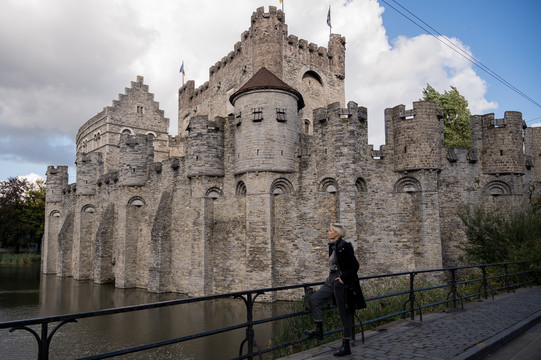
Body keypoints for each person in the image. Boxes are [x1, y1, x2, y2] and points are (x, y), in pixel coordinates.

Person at [304, 223, 366, 357]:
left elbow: (355, 266)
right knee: (314, 299)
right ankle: (318, 330)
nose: (328, 232)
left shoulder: (345, 246)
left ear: (336, 233)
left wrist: (343, 278)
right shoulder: (332, 246)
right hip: (331, 280)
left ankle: (346, 346)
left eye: (330, 230)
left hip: (341, 283)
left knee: (345, 314)